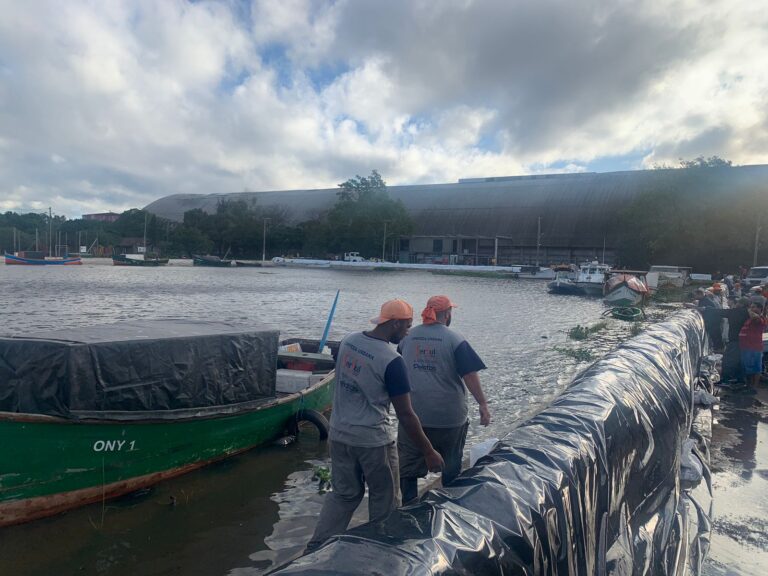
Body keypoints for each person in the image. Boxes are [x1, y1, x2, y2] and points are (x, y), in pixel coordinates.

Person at [306, 299, 444, 551]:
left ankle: (316, 550)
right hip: (373, 442)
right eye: (406, 326)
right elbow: (405, 414)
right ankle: (379, 552)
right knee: (386, 501)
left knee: (343, 495)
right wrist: (428, 451)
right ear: (395, 323)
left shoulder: (349, 341)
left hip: (338, 434)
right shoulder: (391, 360)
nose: (408, 332)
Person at [396, 295, 491, 505]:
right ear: (447, 314)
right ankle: (449, 510)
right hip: (449, 418)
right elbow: (469, 375)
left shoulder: (407, 338)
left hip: (413, 416)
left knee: (408, 470)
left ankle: (409, 508)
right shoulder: (455, 339)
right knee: (451, 467)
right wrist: (483, 404)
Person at [738, 300, 767, 388]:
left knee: (755, 368)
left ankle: (754, 386)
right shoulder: (749, 319)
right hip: (746, 347)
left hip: (754, 347)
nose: (752, 309)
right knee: (747, 368)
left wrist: (748, 309)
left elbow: (755, 318)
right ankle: (748, 385)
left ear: (760, 309)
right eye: (751, 307)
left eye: (754, 307)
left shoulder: (761, 319)